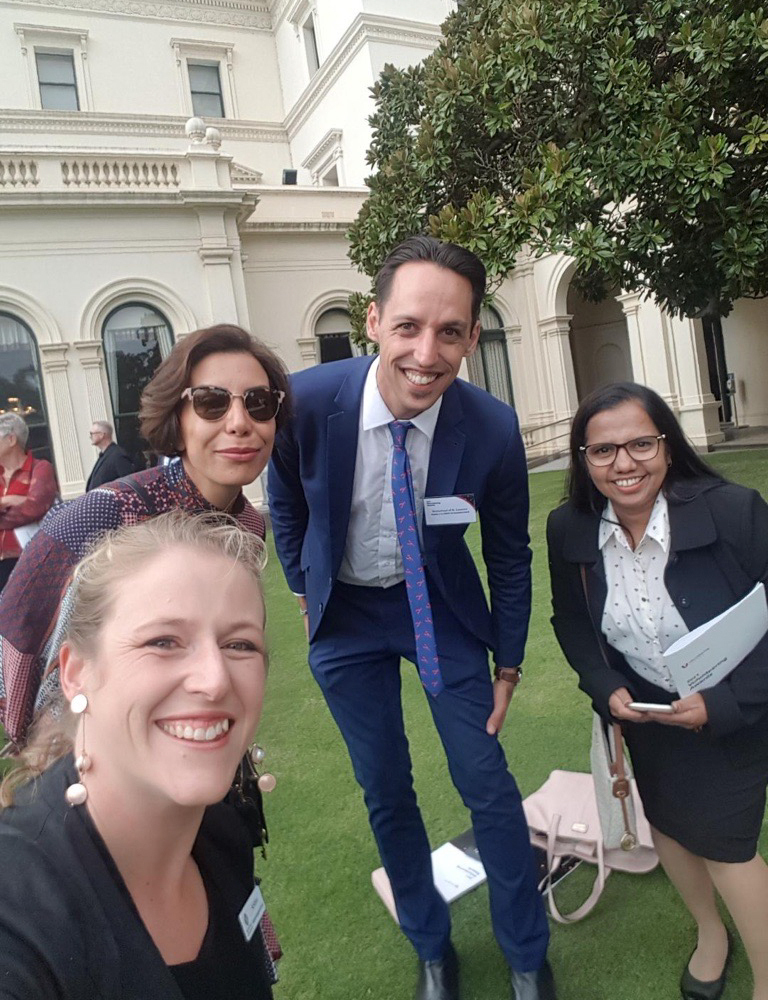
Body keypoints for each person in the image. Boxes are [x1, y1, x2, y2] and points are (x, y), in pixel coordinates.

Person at [268, 235, 554, 1000]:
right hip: (348, 619)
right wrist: (303, 589)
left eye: (451, 332)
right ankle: (432, 948)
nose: (427, 353)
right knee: (386, 787)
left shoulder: (490, 427)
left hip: (442, 609)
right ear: (373, 321)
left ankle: (527, 954)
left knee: (486, 784)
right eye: (408, 327)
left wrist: (509, 662)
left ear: (470, 336)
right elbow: (286, 501)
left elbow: (510, 555)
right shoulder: (308, 401)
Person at [547, 382, 768, 1000]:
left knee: (727, 846)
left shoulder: (733, 511)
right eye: (603, 450)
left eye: (641, 444)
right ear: (583, 459)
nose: (624, 464)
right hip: (648, 711)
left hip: (739, 705)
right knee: (668, 825)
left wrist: (724, 704)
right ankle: (710, 935)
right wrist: (606, 686)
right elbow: (572, 622)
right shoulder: (571, 527)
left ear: (667, 446)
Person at [0, 511, 276, 998]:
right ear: (76, 671)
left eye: (240, 644)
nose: (214, 680)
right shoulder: (19, 914)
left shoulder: (222, 829)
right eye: (163, 642)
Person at [0, 323, 290, 748]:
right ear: (177, 417)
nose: (240, 423)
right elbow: (18, 626)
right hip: (96, 755)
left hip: (202, 735)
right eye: (211, 403)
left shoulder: (247, 526)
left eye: (259, 403)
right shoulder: (108, 513)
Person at [0, 412, 58, 592]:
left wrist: (12, 503)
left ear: (11, 440)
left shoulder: (40, 468)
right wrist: (10, 500)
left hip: (28, 561)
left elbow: (33, 507)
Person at [85, 420, 137, 490]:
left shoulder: (118, 456)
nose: (90, 437)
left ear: (101, 435)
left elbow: (129, 484)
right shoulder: (105, 455)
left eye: (92, 434)